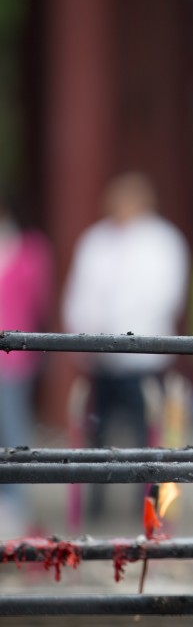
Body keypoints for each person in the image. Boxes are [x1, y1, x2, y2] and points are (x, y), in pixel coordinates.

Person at [62, 172, 189, 516]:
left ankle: (145, 503)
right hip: (102, 357)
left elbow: (165, 294)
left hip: (143, 357)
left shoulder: (163, 241)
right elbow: (81, 293)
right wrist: (87, 332)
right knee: (97, 434)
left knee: (146, 432)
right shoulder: (96, 240)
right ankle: (96, 504)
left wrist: (126, 329)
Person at [0, 190, 53, 533]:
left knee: (13, 428)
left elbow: (40, 301)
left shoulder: (31, 248)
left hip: (15, 358)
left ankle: (16, 505)